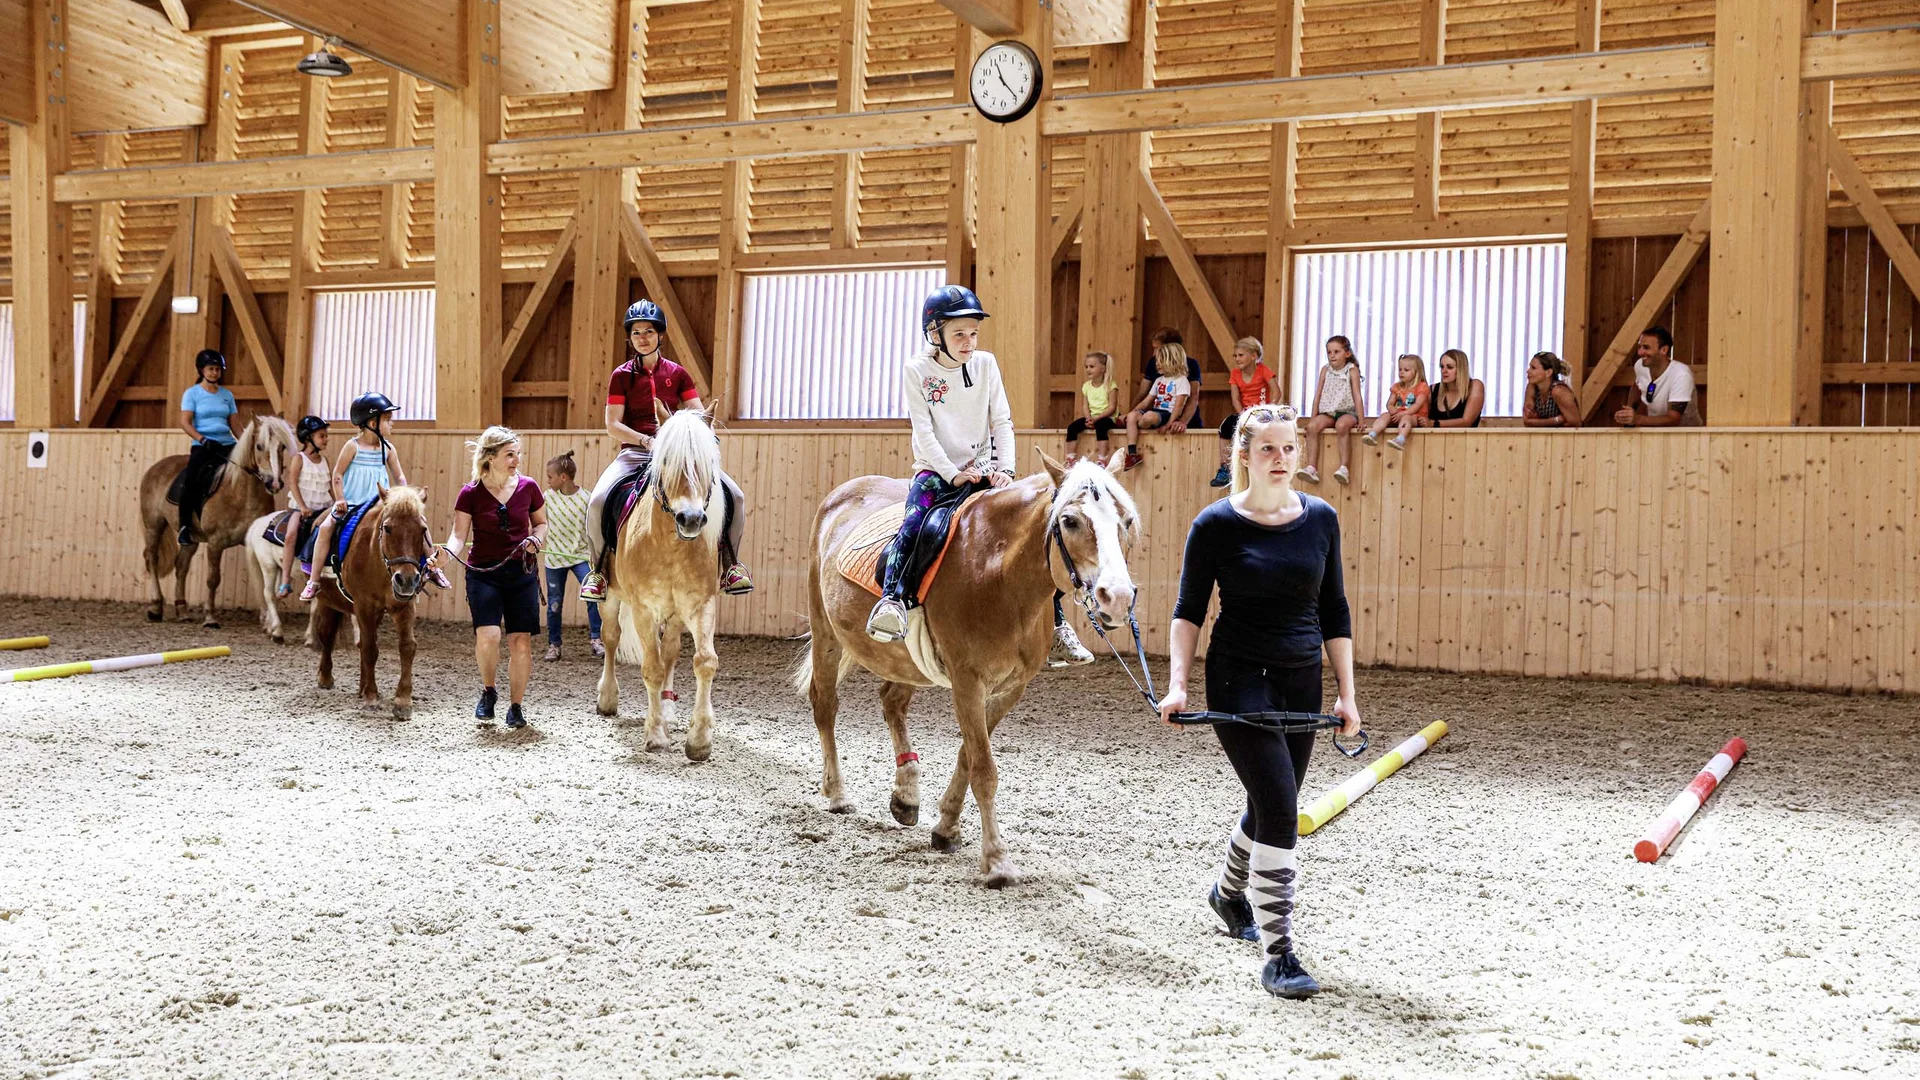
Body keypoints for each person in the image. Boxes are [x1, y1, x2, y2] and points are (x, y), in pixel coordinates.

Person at [1156, 403, 1362, 1000]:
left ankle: (1226, 894)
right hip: (1239, 677)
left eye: (1289, 447)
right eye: (1267, 448)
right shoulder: (1214, 525)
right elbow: (1188, 611)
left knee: (1274, 800)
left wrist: (1347, 694)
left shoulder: (1322, 519)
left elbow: (1335, 611)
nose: (1280, 458)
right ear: (1242, 455)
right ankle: (1280, 955)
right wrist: (1178, 685)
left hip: (1302, 679)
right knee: (1278, 807)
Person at [865, 284, 1094, 668]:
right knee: (916, 524)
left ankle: (1057, 628)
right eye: (959, 334)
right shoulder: (917, 370)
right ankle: (893, 599)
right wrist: (953, 475)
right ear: (935, 334)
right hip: (935, 474)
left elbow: (1001, 420)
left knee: (1035, 531)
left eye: (973, 333)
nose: (969, 342)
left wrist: (1005, 469)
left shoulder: (986, 364)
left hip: (985, 470)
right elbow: (924, 431)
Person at [579, 299, 752, 603]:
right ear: (630, 338)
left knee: (734, 496)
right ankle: (599, 571)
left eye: (648, 331)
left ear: (660, 335)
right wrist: (646, 441)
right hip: (635, 453)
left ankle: (730, 565)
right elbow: (612, 425)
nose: (642, 337)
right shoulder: (621, 376)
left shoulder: (678, 374)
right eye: (636, 332)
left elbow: (698, 415)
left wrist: (699, 440)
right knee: (597, 500)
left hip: (676, 457)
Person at [428, 427, 548, 730]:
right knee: (490, 635)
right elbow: (458, 536)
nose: (516, 460)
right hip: (484, 574)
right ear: (490, 457)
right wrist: (445, 555)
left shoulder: (529, 487)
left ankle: (516, 706)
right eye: (510, 454)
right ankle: (489, 691)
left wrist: (536, 540)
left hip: (521, 573)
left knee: (521, 642)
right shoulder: (470, 493)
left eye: (518, 454)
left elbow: (542, 524)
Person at [301, 393, 453, 600]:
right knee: (326, 527)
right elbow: (337, 474)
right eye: (388, 420)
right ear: (373, 422)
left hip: (380, 504)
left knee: (419, 523)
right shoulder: (352, 446)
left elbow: (399, 477)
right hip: (352, 503)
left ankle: (432, 568)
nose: (392, 425)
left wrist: (407, 500)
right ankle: (314, 580)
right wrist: (339, 499)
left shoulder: (388, 449)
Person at [540, 450, 602, 661]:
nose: (548, 481)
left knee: (593, 595)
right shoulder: (547, 498)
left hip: (581, 557)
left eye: (550, 477)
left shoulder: (586, 498)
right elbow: (538, 522)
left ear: (563, 477)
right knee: (554, 603)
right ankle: (554, 645)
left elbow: (594, 526)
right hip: (555, 559)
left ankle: (596, 640)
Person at [175, 349, 239, 545]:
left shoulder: (227, 395)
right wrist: (203, 439)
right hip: (204, 445)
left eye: (218, 369)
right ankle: (185, 526)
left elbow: (235, 424)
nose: (214, 373)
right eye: (211, 369)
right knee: (192, 480)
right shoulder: (192, 393)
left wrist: (247, 445)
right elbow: (185, 422)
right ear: (202, 370)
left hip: (227, 443)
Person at [277, 415, 335, 599]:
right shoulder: (299, 459)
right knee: (291, 534)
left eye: (326, 436)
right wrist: (302, 506)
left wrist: (338, 502)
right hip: (301, 508)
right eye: (321, 436)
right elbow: (292, 483)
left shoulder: (325, 461)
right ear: (308, 438)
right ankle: (285, 581)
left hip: (323, 508)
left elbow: (329, 486)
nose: (325, 439)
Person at [1212, 337, 1279, 487]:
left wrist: (1269, 409)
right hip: (1246, 413)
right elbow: (1235, 398)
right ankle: (1225, 467)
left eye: (1241, 355)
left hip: (1263, 413)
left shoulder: (1263, 371)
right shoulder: (1235, 374)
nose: (1237, 359)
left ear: (1254, 356)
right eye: (1235, 356)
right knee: (1226, 426)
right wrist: (1243, 414)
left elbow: (1276, 392)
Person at [1119, 342, 1193, 472]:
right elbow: (1146, 401)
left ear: (1172, 360)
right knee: (1132, 416)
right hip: (1154, 413)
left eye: (1160, 361)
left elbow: (1178, 406)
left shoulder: (1182, 381)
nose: (1156, 364)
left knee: (1148, 416)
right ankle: (1132, 454)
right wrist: (1131, 412)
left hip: (1167, 414)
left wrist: (1169, 424)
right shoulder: (1159, 380)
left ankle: (1140, 423)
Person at [1300, 335, 1362, 485]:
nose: (1332, 355)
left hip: (1348, 412)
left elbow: (1357, 396)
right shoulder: (1325, 370)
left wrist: (1361, 420)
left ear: (1347, 353)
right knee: (1312, 427)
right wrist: (1313, 417)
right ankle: (1311, 467)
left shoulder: (1352, 370)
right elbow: (1318, 395)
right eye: (1329, 352)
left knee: (1342, 426)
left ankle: (1344, 467)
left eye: (1336, 351)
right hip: (1328, 412)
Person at [1613, 325, 1698, 427]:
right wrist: (1629, 414)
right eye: (1639, 347)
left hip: (1687, 435)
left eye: (1646, 347)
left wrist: (1637, 419)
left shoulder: (1681, 374)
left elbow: (1674, 419)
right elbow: (1637, 387)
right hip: (1656, 433)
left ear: (1664, 350)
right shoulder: (1640, 365)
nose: (1640, 352)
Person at [1362, 353, 1430, 451]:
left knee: (1406, 418)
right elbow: (1389, 403)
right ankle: (1373, 434)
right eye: (1400, 369)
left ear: (1417, 372)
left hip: (1415, 416)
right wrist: (1392, 409)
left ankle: (1401, 439)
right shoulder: (1397, 387)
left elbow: (1417, 406)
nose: (1401, 372)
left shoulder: (1422, 387)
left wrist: (1403, 414)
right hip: (1398, 415)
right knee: (1385, 415)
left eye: (1406, 370)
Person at [1063, 351, 1120, 466]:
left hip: (1106, 417)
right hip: (1092, 417)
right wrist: (1088, 418)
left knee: (1101, 427)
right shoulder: (1086, 386)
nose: (1088, 369)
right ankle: (1070, 458)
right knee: (1072, 428)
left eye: (1092, 367)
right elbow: (1085, 405)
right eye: (1086, 366)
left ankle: (1102, 459)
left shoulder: (1110, 385)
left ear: (1103, 369)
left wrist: (1097, 418)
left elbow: (1112, 407)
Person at [1425, 349, 1485, 428]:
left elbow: (1467, 421)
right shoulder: (1433, 389)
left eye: (1449, 367)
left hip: (1466, 439)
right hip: (1434, 439)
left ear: (1461, 369)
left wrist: (1434, 424)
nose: (1444, 371)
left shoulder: (1475, 385)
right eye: (1442, 367)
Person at [1522, 351, 1582, 428]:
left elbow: (1575, 423)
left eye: (1533, 368)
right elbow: (1527, 421)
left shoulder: (1559, 391)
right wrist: (1556, 420)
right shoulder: (1532, 387)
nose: (1528, 371)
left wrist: (1538, 422)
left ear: (1548, 372)